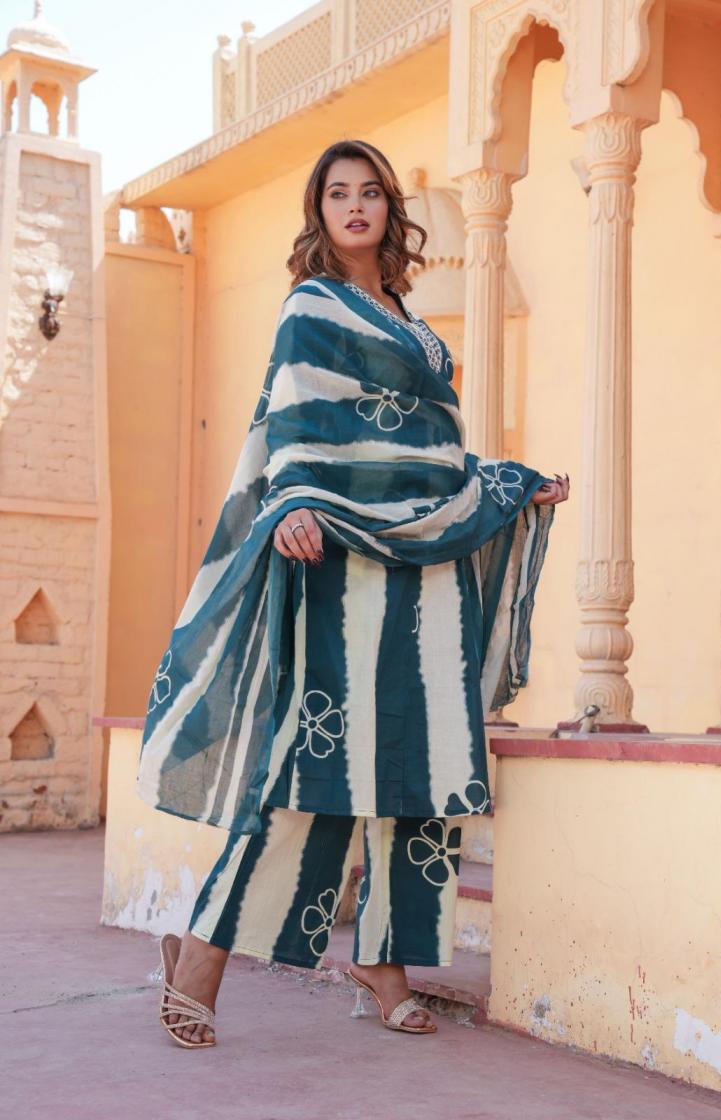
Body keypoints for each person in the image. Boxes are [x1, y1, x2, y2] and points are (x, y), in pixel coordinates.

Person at [140, 139, 570, 1048]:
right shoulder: (312, 306)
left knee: (425, 768)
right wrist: (293, 499)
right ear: (321, 212)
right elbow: (294, 422)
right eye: (338, 193)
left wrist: (505, 486)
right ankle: (204, 957)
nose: (356, 206)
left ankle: (387, 963)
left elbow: (429, 446)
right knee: (313, 771)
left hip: (430, 571)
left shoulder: (407, 316)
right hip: (343, 565)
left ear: (389, 208)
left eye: (370, 191)